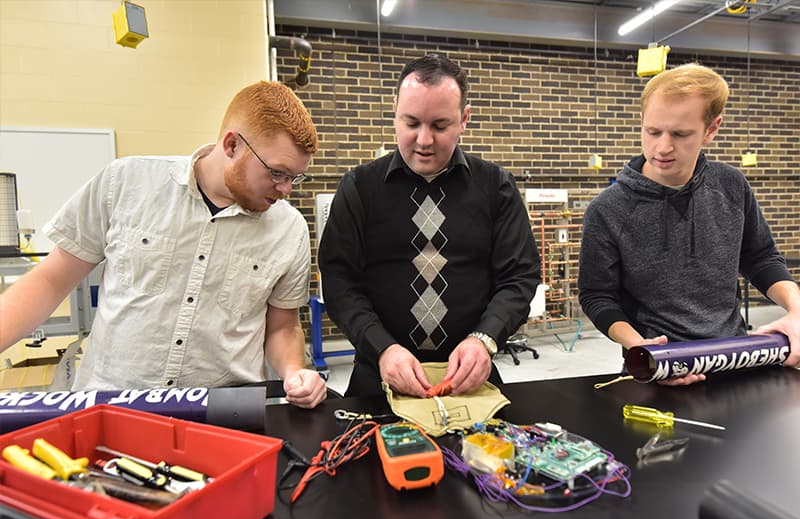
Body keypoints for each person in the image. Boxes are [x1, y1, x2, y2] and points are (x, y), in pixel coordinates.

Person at [0, 81, 327, 408]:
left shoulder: (289, 229)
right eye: (277, 173)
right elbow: (50, 281)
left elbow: (282, 326)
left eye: (295, 178)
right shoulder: (126, 183)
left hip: (223, 412)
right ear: (231, 145)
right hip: (111, 404)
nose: (286, 189)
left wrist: (295, 371)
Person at [318, 53, 541, 398]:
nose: (424, 140)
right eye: (411, 123)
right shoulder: (359, 188)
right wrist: (382, 348)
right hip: (379, 377)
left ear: (464, 119)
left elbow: (519, 278)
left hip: (469, 380)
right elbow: (339, 282)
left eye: (439, 126)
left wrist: (484, 339)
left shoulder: (496, 187)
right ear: (395, 111)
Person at [578, 63, 800, 386]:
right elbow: (597, 296)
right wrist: (640, 347)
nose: (663, 147)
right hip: (659, 370)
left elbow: (761, 258)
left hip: (736, 361)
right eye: (652, 131)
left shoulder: (732, 186)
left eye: (680, 134)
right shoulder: (608, 210)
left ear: (712, 129)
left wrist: (796, 310)